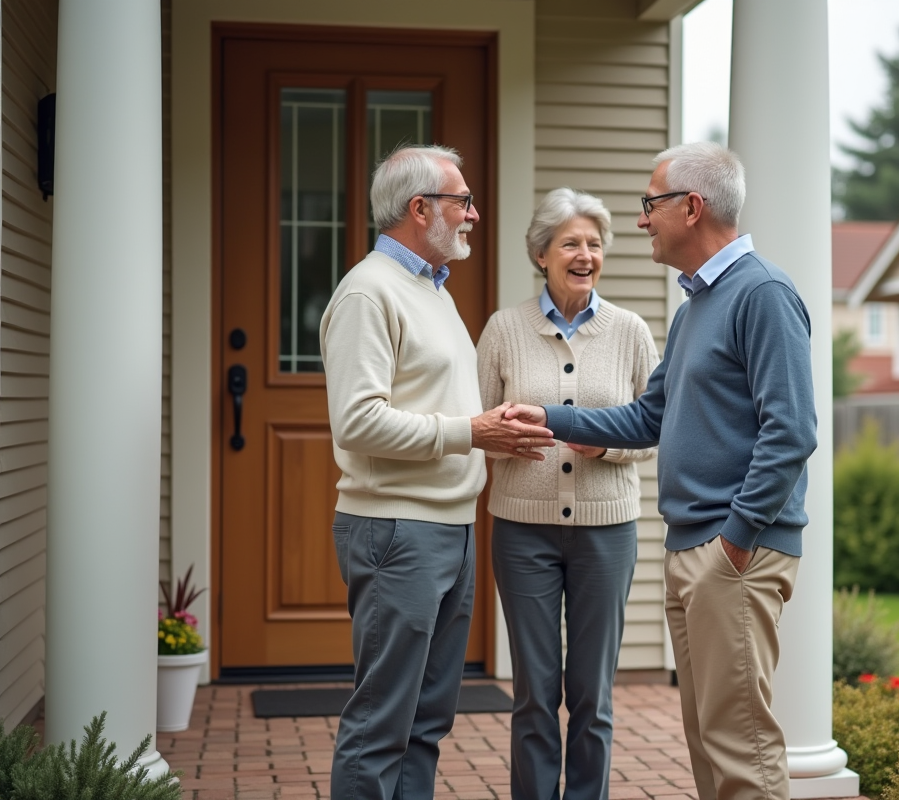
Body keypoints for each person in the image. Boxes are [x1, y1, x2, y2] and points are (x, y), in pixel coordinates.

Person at [505, 142, 817, 800]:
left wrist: (734, 540)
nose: (642, 219)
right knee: (708, 739)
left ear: (692, 207)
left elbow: (791, 431)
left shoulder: (761, 293)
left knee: (741, 745)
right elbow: (648, 419)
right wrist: (548, 417)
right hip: (695, 549)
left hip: (733, 553)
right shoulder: (697, 306)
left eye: (652, 204)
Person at [320, 144, 555, 800]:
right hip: (397, 532)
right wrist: (469, 432)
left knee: (426, 721)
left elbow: (435, 409)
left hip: (448, 530)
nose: (474, 215)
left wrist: (494, 439)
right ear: (420, 209)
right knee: (382, 723)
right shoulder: (369, 293)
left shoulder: (431, 291)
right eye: (464, 202)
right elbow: (359, 423)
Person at [476, 188, 659, 800]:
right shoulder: (504, 329)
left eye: (594, 244)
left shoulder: (630, 332)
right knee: (534, 689)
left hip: (607, 534)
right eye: (570, 244)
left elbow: (656, 428)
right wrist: (506, 440)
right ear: (542, 255)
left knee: (591, 691)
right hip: (522, 531)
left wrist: (605, 445)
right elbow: (476, 425)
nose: (585, 255)